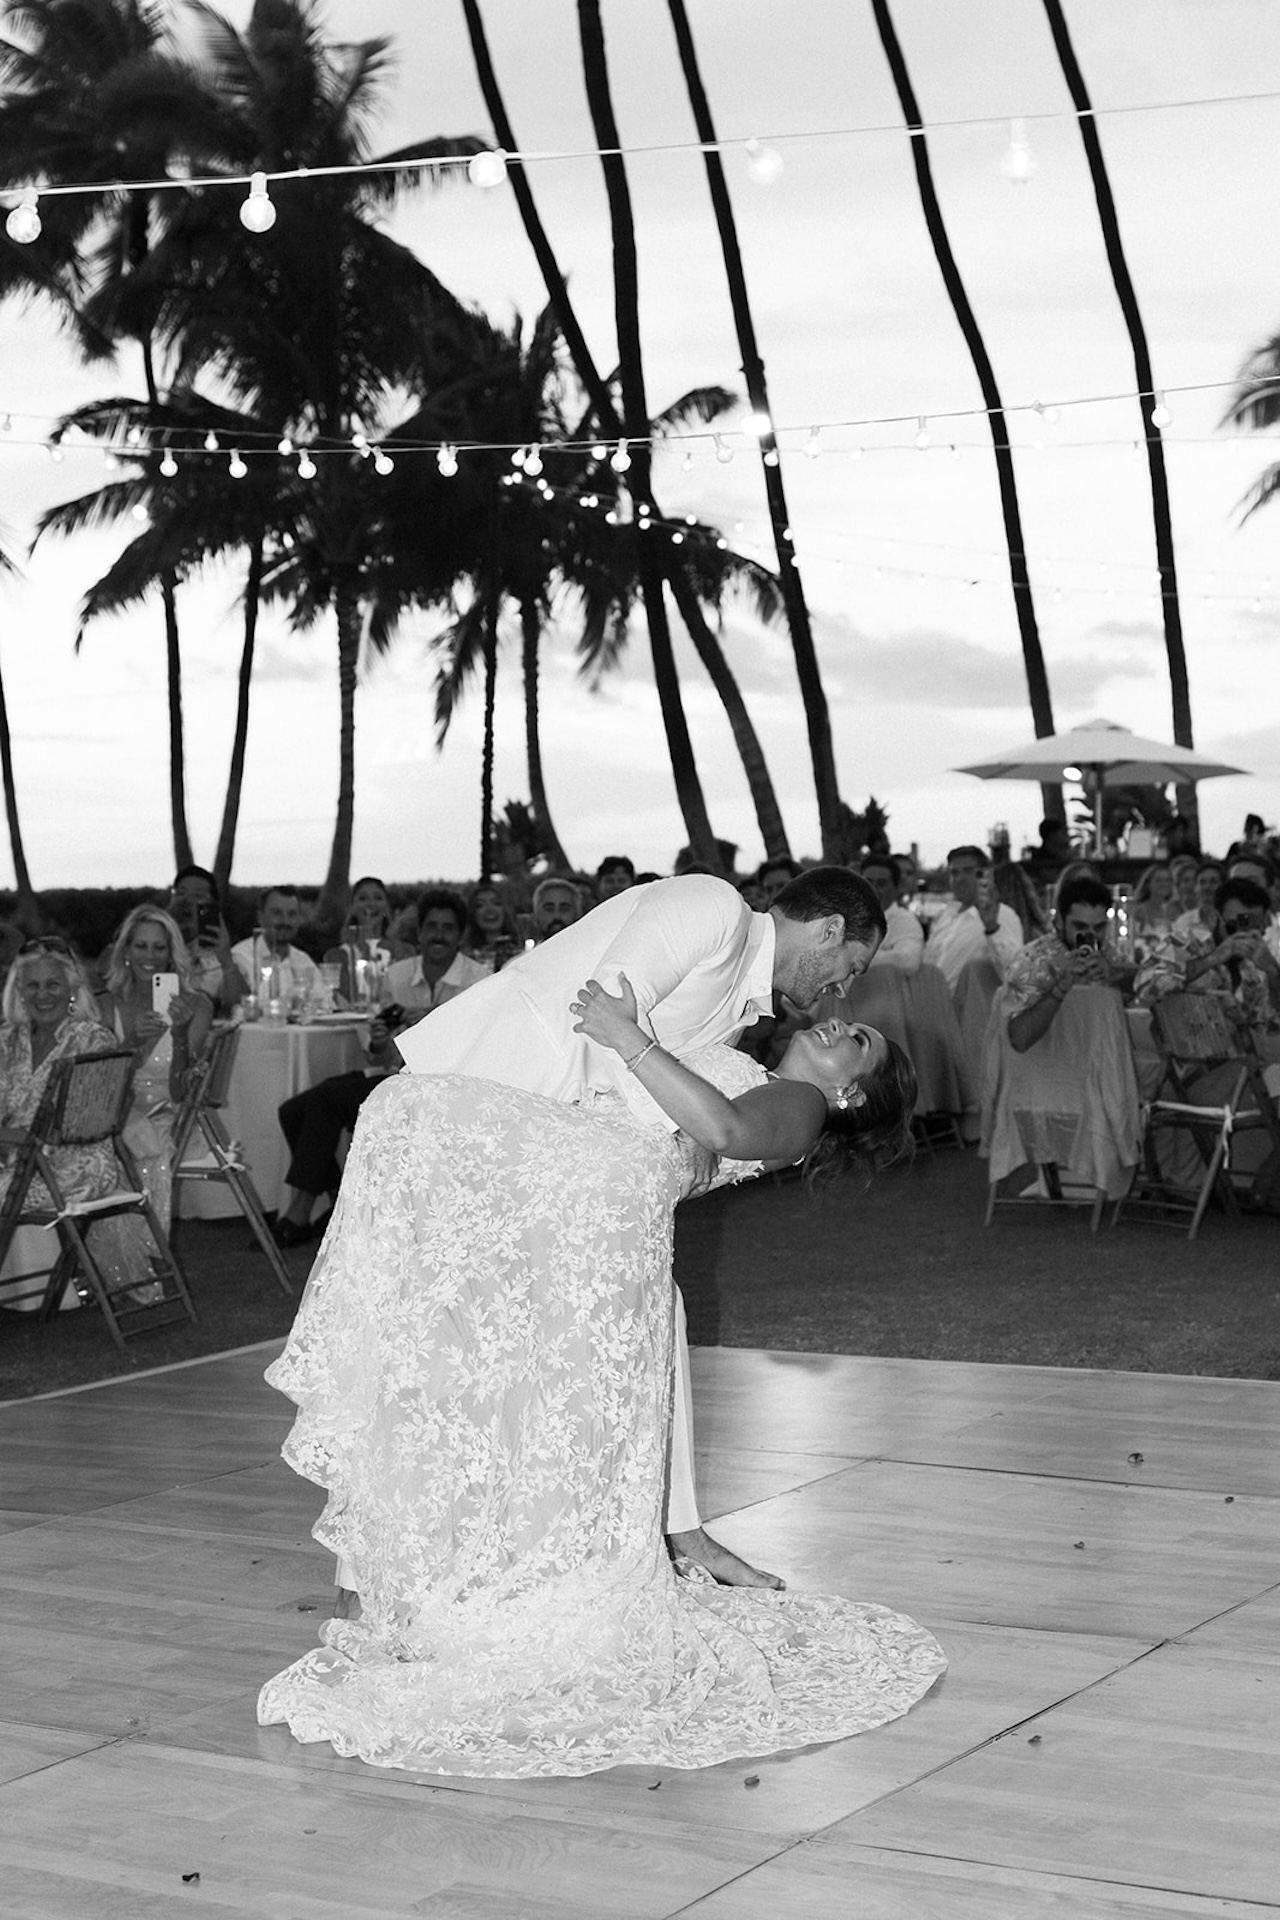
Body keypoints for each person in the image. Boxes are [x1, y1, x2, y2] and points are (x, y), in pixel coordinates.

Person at [257, 962, 943, 1775]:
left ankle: (466, 1601)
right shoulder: (760, 1069)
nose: (836, 1027)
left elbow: (721, 1130)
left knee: (407, 1114)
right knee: (484, 1381)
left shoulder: (800, 1108)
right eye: (842, 1022)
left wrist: (629, 1039)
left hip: (597, 1197)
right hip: (584, 1197)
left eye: (855, 1042)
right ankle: (441, 1589)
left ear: (853, 1094)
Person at [391, 866, 886, 1587]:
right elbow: (598, 1013)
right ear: (831, 930)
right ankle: (388, 1572)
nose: (843, 991)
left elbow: (681, 1101)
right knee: (436, 1354)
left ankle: (594, 1552)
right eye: (852, 967)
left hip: (551, 1174)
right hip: (478, 1109)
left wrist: (682, 1141)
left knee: (547, 1356)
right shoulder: (713, 908)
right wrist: (677, 1134)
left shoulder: (746, 1028)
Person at [272, 890, 489, 1245]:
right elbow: (379, 1052)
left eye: (448, 928)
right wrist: (377, 1039)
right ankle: (334, 1204)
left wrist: (431, 1022)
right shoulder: (397, 974)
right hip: (392, 1076)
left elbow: (476, 1047)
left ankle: (300, 1209)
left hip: (443, 1087)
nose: (438, 935)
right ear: (418, 933)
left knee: (328, 1098)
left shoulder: (478, 978)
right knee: (293, 1111)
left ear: (460, 935)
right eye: (431, 927)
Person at [0, 940, 122, 1310]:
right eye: (32, 985)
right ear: (18, 992)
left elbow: (75, 1127)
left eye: (53, 984)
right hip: (15, 1159)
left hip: (77, 1163)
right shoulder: (6, 1039)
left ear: (72, 990)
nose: (42, 994)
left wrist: (15, 1139)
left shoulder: (92, 1039)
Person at [96, 906, 212, 1242]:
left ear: (171, 954)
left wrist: (177, 1034)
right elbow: (100, 1081)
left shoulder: (197, 1006)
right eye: (141, 946)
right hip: (115, 1110)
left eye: (159, 948)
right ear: (126, 951)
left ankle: (146, 1255)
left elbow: (180, 1093)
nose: (150, 956)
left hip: (171, 1117)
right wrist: (132, 1043)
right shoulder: (106, 1005)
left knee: (144, 1144)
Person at [923, 845, 1023, 992]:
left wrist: (992, 928)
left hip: (972, 1011)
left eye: (968, 871)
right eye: (954, 873)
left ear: (985, 875)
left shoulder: (1002, 915)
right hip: (931, 1007)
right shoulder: (945, 916)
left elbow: (1016, 974)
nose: (960, 879)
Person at [322, 877, 413, 1005]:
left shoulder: (404, 952)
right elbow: (346, 999)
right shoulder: (336, 957)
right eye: (363, 898)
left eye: (378, 898)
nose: (371, 904)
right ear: (352, 907)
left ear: (386, 907)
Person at [168, 866, 245, 1016]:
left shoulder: (223, 959)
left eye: (198, 896)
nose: (187, 901)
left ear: (212, 907)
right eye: (181, 893)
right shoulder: (151, 948)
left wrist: (227, 962)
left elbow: (240, 1007)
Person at [231, 885, 321, 1005]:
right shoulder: (242, 957)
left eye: (292, 914)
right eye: (277, 913)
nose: (285, 921)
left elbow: (324, 1004)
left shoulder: (303, 961)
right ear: (260, 917)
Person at [460, 880, 520, 971]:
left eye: (496, 903)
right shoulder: (464, 959)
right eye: (480, 905)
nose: (490, 909)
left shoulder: (520, 955)